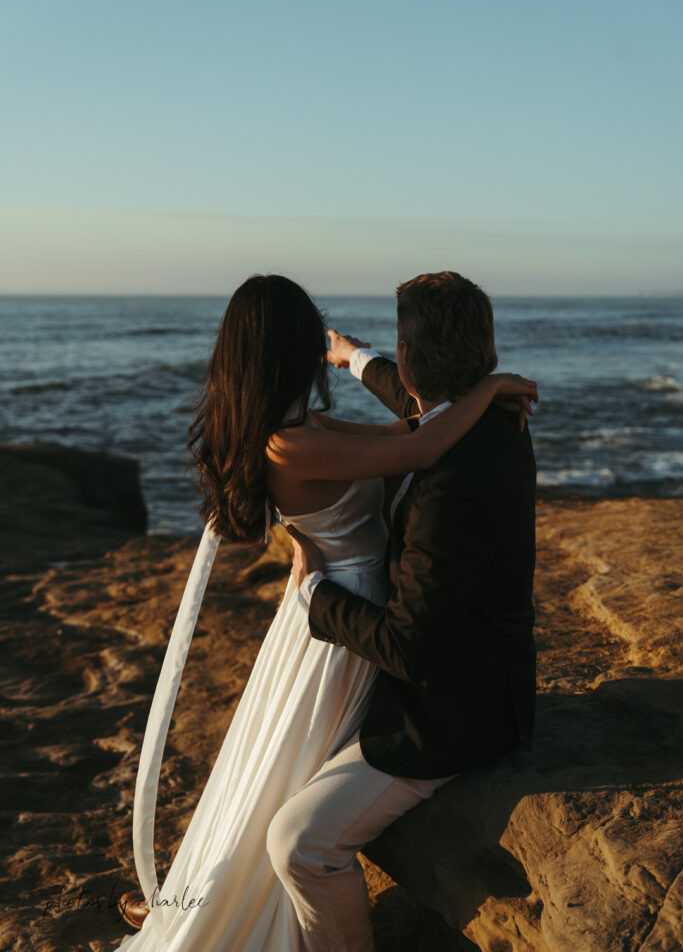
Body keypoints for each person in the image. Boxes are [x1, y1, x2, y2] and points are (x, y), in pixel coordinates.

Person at [115, 273, 537, 951]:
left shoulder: (296, 425)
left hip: (359, 618)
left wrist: (353, 356)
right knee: (278, 769)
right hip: (338, 614)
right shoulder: (291, 441)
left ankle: (212, 896)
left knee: (278, 768)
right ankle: (213, 902)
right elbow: (417, 440)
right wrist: (488, 390)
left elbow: (409, 421)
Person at [277, 271, 538, 951]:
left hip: (453, 708)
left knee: (298, 843)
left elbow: (410, 647)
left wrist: (311, 590)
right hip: (453, 671)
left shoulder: (456, 479)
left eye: (401, 342)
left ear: (419, 351)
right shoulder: (469, 417)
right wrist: (352, 353)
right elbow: (412, 397)